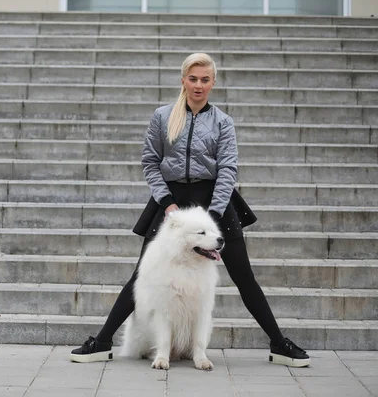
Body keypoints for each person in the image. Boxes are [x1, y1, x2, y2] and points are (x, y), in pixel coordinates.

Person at [70, 52, 310, 368]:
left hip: (216, 204)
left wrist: (214, 213)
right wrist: (166, 202)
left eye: (205, 79)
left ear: (213, 82)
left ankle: (279, 344)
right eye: (193, 78)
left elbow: (228, 169)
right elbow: (150, 161)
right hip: (171, 205)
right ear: (183, 80)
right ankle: (101, 342)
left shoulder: (223, 122)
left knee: (244, 277)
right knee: (143, 273)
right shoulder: (162, 116)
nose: (199, 85)